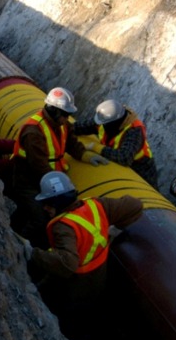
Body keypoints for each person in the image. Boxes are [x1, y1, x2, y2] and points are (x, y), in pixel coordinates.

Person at [23, 171, 142, 337]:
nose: (45, 208)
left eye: (48, 203)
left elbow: (67, 264)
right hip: (100, 277)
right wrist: (115, 230)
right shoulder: (97, 205)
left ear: (57, 203)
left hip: (77, 287)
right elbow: (135, 205)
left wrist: (33, 253)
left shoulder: (63, 227)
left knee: (71, 320)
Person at [10, 86, 108, 242]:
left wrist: (85, 155)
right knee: (41, 219)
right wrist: (60, 195)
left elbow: (71, 143)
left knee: (41, 212)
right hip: (28, 183)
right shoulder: (34, 132)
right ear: (54, 111)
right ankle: (20, 245)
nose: (67, 119)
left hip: (49, 178)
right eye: (65, 115)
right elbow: (39, 167)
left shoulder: (62, 124)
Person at [74, 98, 159, 189]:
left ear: (115, 122)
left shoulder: (134, 131)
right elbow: (80, 127)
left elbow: (124, 158)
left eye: (105, 124)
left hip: (142, 171)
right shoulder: (105, 120)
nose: (102, 125)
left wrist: (96, 147)